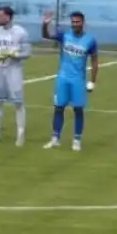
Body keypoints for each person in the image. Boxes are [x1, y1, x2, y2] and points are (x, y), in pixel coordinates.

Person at [40, 10, 99, 150]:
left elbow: (95, 62)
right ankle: (55, 138)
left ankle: (77, 140)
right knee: (58, 108)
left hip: (78, 80)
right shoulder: (64, 35)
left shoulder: (90, 40)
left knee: (78, 109)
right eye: (73, 22)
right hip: (63, 78)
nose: (75, 24)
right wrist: (45, 24)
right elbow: (46, 35)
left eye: (77, 22)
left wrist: (92, 81)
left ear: (83, 23)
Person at [0, 6, 31, 145]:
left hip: (14, 71)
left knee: (18, 103)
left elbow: (28, 53)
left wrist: (13, 54)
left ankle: (20, 135)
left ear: (8, 17)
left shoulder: (20, 32)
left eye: (0, 16)